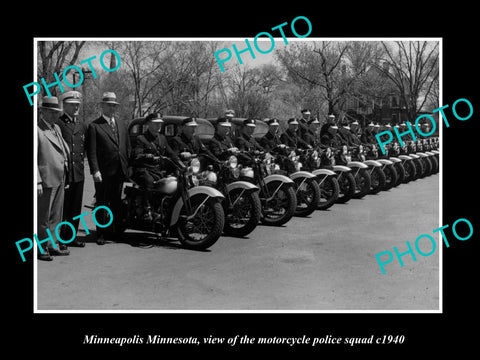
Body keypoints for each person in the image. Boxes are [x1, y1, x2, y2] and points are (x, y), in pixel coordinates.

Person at [86, 92, 131, 245]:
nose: (112, 108)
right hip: (103, 172)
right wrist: (95, 170)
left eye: (114, 105)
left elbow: (127, 146)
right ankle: (101, 234)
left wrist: (127, 166)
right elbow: (91, 151)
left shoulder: (121, 124)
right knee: (102, 203)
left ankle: (117, 232)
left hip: (119, 170)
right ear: (102, 106)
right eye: (109, 105)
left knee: (116, 202)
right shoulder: (94, 126)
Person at [37, 97, 71, 260]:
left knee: (56, 215)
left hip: (59, 177)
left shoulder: (56, 127)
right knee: (43, 216)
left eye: (56, 112)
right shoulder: (37, 129)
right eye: (50, 112)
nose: (53, 115)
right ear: (42, 111)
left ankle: (52, 244)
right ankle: (41, 247)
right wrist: (37, 181)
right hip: (45, 179)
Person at [130, 113, 178, 220]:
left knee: (170, 182)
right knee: (149, 181)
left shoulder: (162, 138)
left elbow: (171, 153)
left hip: (157, 170)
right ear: (148, 124)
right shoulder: (141, 138)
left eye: (160, 123)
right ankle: (147, 209)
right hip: (143, 169)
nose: (159, 126)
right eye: (156, 123)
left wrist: (181, 163)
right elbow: (137, 155)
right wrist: (148, 156)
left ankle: (163, 209)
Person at [55, 91, 87, 248]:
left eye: (77, 105)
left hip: (79, 172)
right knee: (64, 208)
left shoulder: (81, 124)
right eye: (72, 105)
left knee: (76, 207)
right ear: (64, 105)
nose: (75, 108)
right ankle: (62, 239)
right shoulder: (59, 124)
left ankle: (72, 237)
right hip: (66, 172)